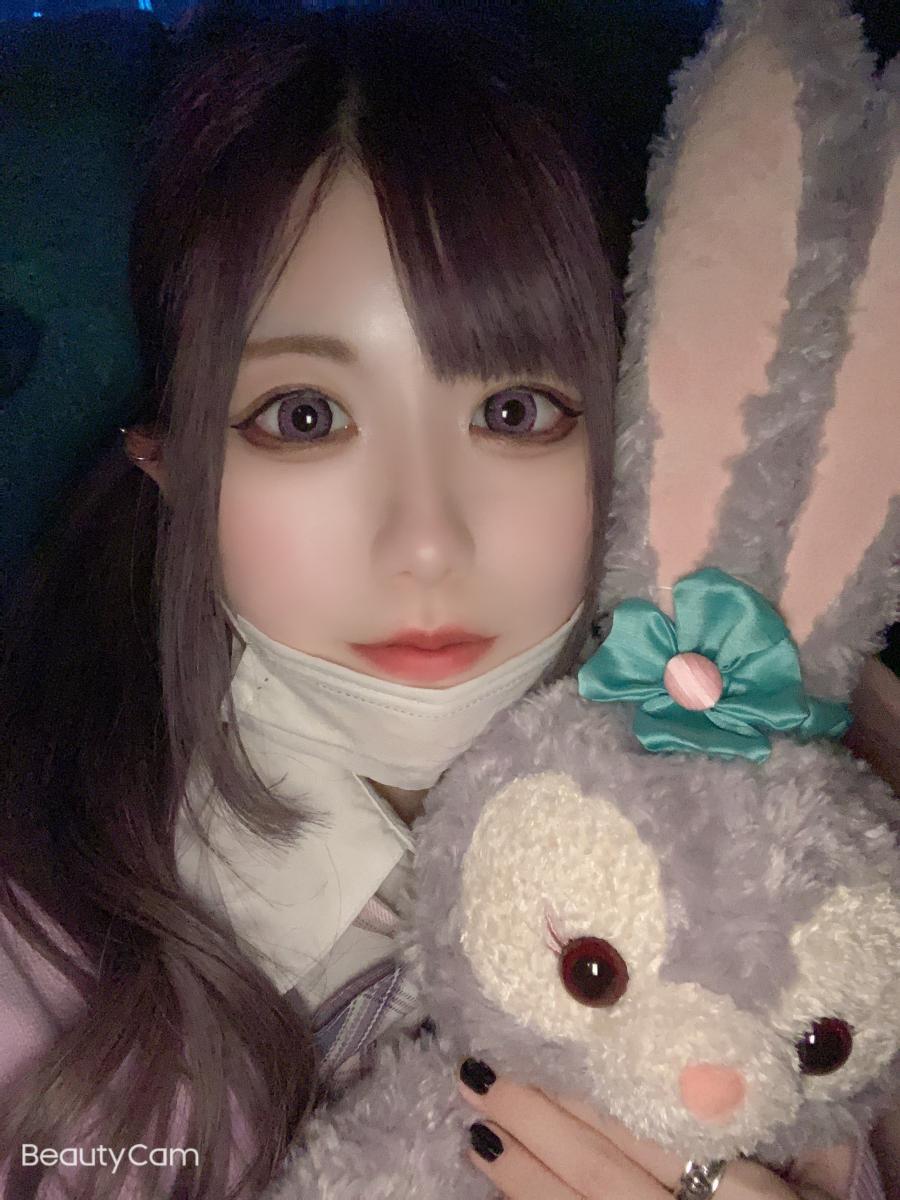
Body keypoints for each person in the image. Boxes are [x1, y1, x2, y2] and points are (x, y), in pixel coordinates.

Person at [0, 7, 893, 1200]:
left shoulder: (832, 876)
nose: (425, 539)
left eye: (513, 412)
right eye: (305, 417)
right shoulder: (40, 931)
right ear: (172, 470)